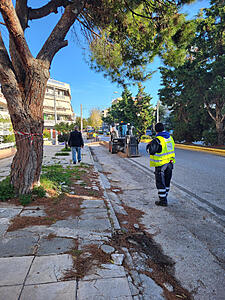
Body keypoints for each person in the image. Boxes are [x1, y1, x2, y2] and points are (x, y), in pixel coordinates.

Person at [146, 123, 175, 207]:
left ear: (156, 130)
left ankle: (163, 201)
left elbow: (150, 151)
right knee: (167, 181)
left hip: (161, 164)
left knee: (160, 182)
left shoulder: (157, 140)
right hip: (170, 163)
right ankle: (165, 197)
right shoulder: (170, 138)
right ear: (163, 129)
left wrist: (149, 144)